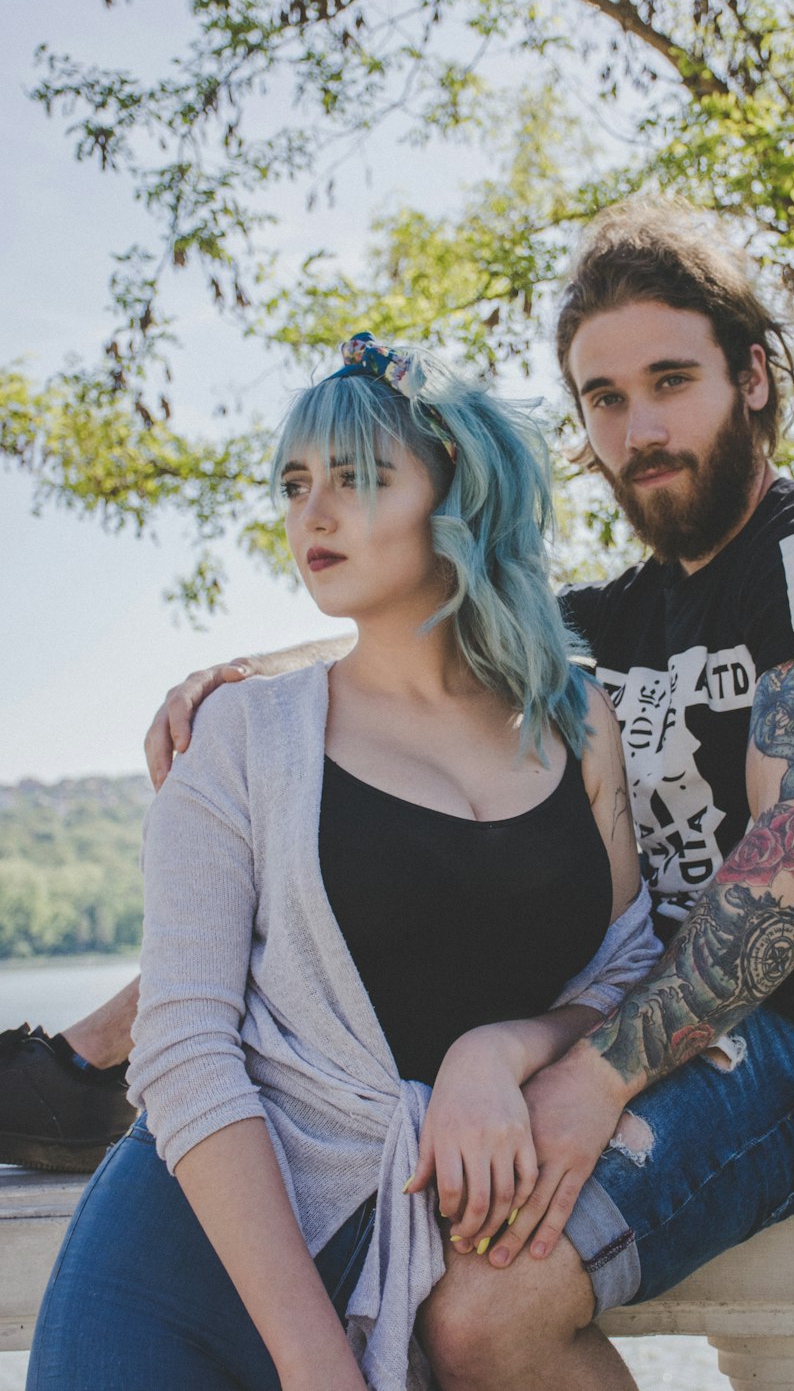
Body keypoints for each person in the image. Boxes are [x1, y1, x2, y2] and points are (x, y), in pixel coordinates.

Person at [13, 197, 794, 1391]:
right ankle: (77, 1071)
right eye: (604, 398)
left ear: (758, 378)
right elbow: (423, 647)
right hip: (638, 1019)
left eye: (671, 380)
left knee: (477, 1307)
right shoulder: (623, 615)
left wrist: (583, 1080)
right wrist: (246, 675)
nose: (640, 427)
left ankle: (72, 1072)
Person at [25, 334, 661, 1391]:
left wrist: (498, 1051)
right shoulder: (237, 737)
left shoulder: (575, 722)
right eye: (293, 483)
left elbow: (629, 967)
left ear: (454, 495)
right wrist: (318, 1366)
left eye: (357, 479)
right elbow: (183, 1052)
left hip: (415, 1251)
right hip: (191, 1270)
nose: (309, 514)